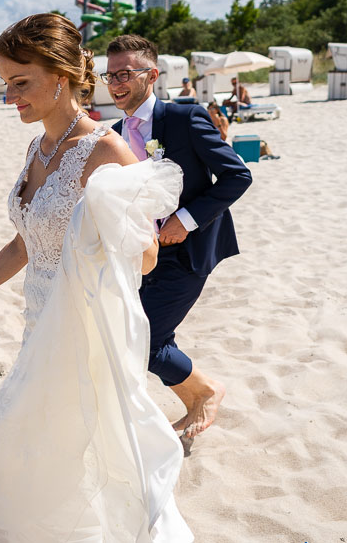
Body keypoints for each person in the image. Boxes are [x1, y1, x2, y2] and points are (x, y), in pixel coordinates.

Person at [0, 13, 193, 541]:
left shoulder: (107, 151)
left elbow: (145, 261)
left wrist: (91, 246)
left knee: (61, 426)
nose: (10, 97)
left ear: (62, 77)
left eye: (21, 83)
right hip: (38, 316)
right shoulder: (37, 149)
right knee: (48, 427)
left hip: (83, 323)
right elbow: (25, 243)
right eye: (6, 84)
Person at [107, 34, 252, 438]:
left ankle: (205, 391)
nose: (116, 83)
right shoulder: (115, 133)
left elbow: (237, 176)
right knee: (145, 334)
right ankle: (197, 396)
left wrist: (184, 220)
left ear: (151, 75)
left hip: (189, 250)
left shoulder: (185, 118)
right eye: (110, 75)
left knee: (144, 340)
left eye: (125, 74)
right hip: (142, 255)